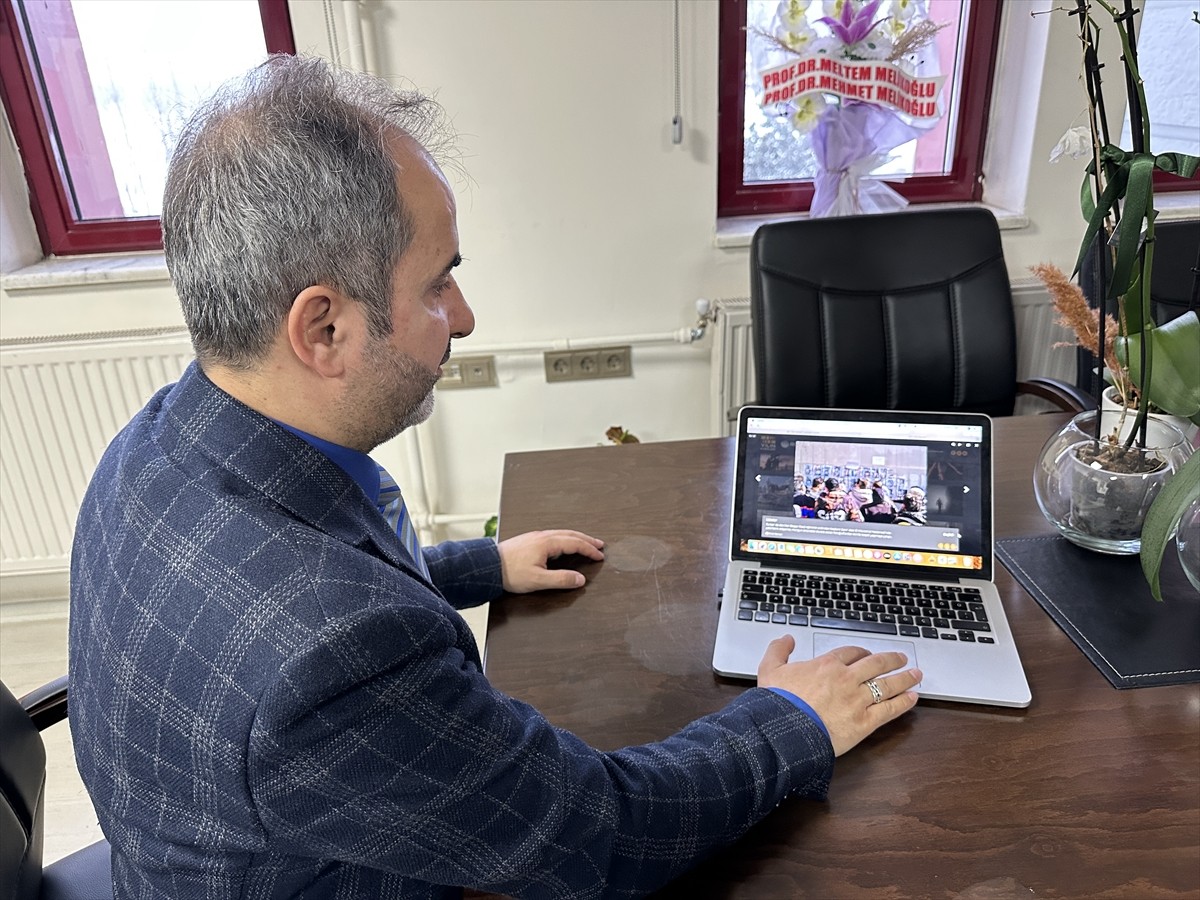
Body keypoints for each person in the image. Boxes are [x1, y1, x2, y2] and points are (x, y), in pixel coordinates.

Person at [68, 55, 921, 900]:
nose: (465, 317)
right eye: (439, 282)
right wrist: (793, 722)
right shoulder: (332, 658)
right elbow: (603, 837)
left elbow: (273, 600)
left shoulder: (153, 445)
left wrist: (474, 566)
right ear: (321, 327)